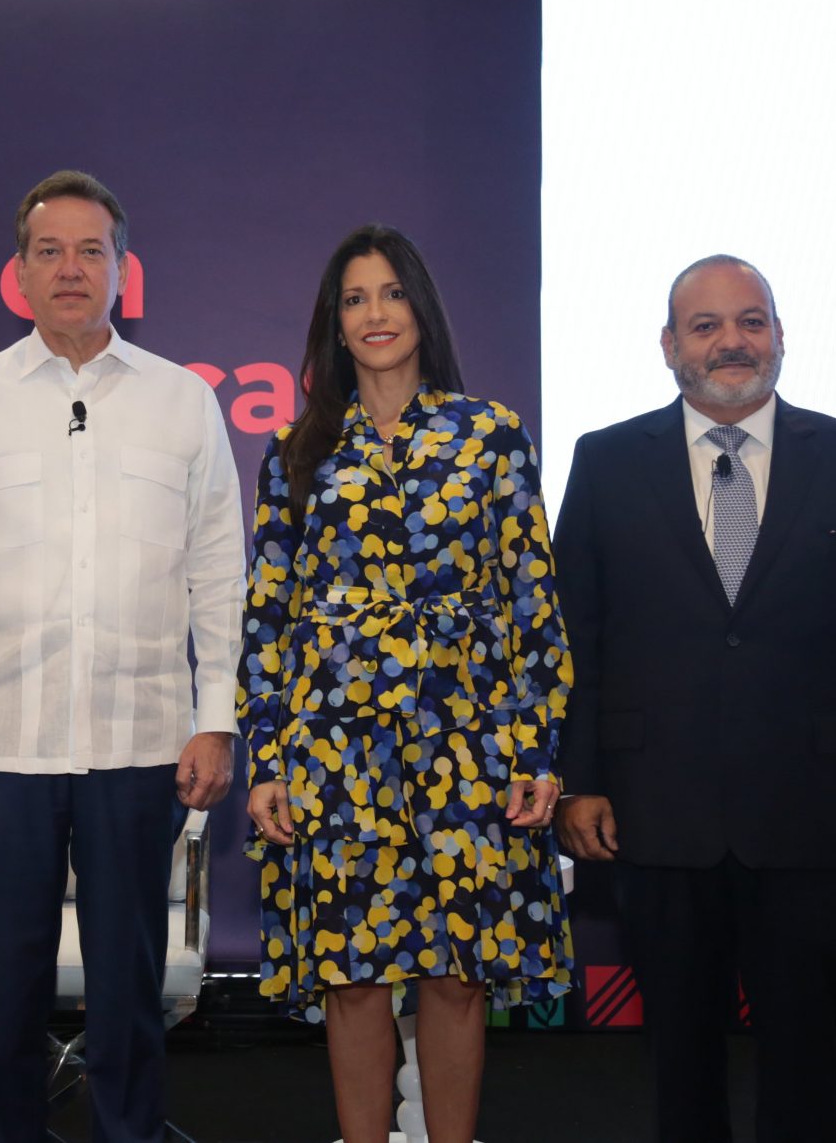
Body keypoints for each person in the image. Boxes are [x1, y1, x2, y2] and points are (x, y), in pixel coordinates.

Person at [551, 254, 836, 1143]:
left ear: (780, 335)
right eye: (707, 325)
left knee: (802, 1057)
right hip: (654, 813)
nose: (732, 341)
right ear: (669, 345)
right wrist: (579, 778)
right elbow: (576, 639)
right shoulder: (606, 461)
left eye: (751, 321)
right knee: (680, 1060)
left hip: (813, 815)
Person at [0, 169, 244, 1143]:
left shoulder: (182, 402)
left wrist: (214, 718)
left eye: (91, 250)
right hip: (0, 745)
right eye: (48, 251)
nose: (69, 268)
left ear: (122, 269)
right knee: (6, 986)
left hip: (140, 742)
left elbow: (218, 575)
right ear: (17, 273)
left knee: (128, 985)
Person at [240, 225, 574, 1143]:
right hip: (335, 749)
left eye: (391, 293)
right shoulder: (297, 450)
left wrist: (537, 749)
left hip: (468, 744)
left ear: (420, 307)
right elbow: (267, 616)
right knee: (351, 976)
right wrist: (267, 757)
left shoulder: (491, 435)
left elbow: (534, 604)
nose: (375, 314)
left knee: (457, 975)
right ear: (334, 323)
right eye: (355, 299)